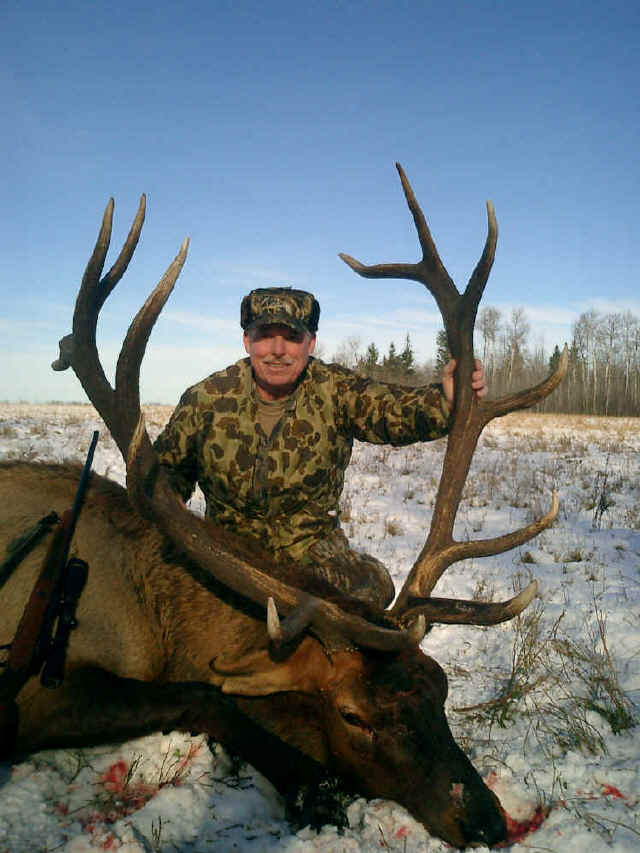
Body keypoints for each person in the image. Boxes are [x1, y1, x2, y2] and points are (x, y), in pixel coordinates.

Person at [154, 287, 487, 608]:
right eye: (265, 335)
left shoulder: (334, 389)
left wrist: (445, 399)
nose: (278, 350)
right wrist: (167, 503)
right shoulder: (205, 399)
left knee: (374, 588)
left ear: (310, 343)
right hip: (227, 556)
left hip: (314, 559)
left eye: (292, 337)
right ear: (247, 340)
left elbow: (392, 410)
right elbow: (164, 472)